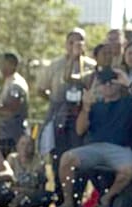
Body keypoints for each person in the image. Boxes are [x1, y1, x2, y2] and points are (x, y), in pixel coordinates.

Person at [54, 67, 132, 207]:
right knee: (66, 158)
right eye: (104, 83)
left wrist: (129, 83)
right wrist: (86, 108)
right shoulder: (95, 105)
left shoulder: (129, 102)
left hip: (120, 148)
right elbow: (80, 130)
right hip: (95, 147)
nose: (108, 85)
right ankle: (68, 203)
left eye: (112, 82)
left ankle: (106, 198)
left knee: (129, 168)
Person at [36, 28, 96, 181]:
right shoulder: (55, 65)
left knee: (79, 154)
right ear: (66, 44)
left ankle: (77, 192)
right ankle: (59, 191)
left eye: (79, 42)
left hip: (82, 115)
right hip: (59, 116)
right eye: (71, 42)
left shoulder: (92, 66)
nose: (75, 46)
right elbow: (41, 89)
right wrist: (55, 103)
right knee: (58, 154)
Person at [0, 52, 29, 159]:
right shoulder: (8, 82)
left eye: (3, 64)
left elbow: (10, 109)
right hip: (4, 132)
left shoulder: (16, 85)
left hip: (12, 134)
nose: (0, 67)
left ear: (11, 64)